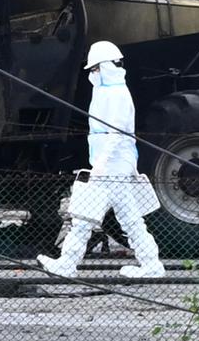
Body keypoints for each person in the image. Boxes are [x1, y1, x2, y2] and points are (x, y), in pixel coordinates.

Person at [37, 40, 166, 279]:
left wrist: (101, 164)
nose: (93, 74)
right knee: (127, 219)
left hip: (112, 165)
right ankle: (151, 264)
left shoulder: (116, 94)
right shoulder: (107, 92)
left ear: (106, 67)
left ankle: (68, 263)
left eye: (95, 69)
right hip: (112, 164)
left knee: (85, 215)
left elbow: (115, 132)